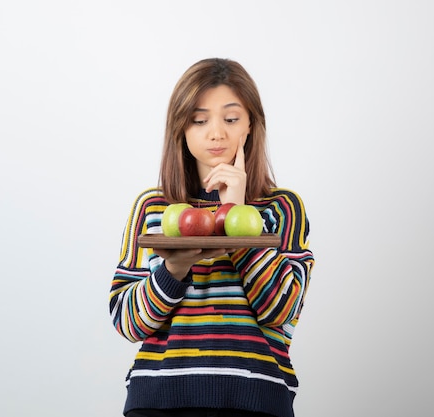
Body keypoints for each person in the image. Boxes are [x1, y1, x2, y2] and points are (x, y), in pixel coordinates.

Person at [109, 58, 315, 417]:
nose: (216, 133)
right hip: (159, 399)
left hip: (255, 400)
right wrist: (171, 271)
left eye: (231, 118)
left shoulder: (282, 208)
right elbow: (127, 321)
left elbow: (281, 310)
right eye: (200, 120)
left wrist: (234, 212)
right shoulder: (154, 207)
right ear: (181, 128)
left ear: (251, 123)